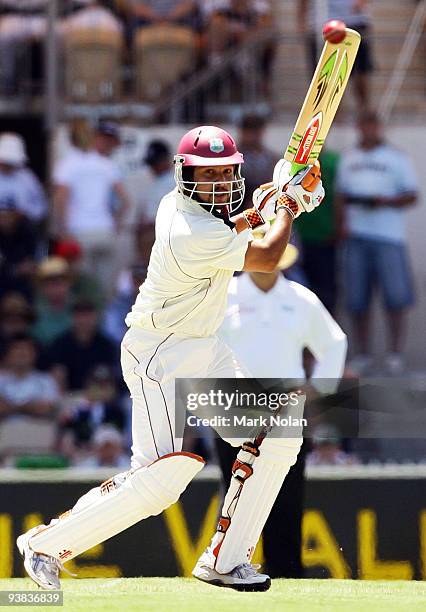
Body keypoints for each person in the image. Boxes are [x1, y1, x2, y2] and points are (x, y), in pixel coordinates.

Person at [17, 124, 325, 591]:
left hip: (205, 347)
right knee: (160, 482)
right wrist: (288, 207)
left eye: (227, 173)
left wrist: (281, 192)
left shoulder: (186, 208)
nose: (220, 184)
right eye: (209, 175)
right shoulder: (188, 230)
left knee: (278, 430)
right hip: (161, 353)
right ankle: (44, 544)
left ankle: (225, 560)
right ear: (185, 175)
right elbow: (265, 255)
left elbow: (238, 224)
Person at [216, 237, 347, 577]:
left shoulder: (300, 299)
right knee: (234, 497)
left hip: (285, 411)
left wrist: (316, 388)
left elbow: (334, 343)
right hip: (234, 409)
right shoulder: (224, 296)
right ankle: (224, 568)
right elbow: (201, 343)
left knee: (286, 497)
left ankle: (287, 572)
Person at [335, 111, 418, 375]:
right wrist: (342, 224)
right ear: (359, 127)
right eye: (364, 124)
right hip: (357, 235)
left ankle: (395, 352)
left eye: (373, 125)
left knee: (395, 296)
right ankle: (364, 353)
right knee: (358, 298)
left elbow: (412, 195)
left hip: (388, 236)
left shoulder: (396, 158)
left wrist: (386, 201)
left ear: (379, 128)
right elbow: (339, 195)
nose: (369, 129)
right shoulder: (349, 158)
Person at [52, 120, 130, 290]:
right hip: (105, 231)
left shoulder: (67, 164)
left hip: (79, 233)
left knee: (83, 291)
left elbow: (60, 199)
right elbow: (125, 201)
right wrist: (115, 223)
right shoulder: (106, 164)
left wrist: (63, 230)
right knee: (104, 290)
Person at [297, 0, 373, 110]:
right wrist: (301, 21)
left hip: (353, 23)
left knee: (360, 73)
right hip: (323, 25)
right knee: (327, 77)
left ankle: (364, 110)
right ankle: (333, 114)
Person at [296, 147, 340, 313]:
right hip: (297, 241)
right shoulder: (289, 165)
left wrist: (337, 227)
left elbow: (338, 196)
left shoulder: (333, 162)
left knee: (326, 294)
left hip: (325, 238)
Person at [0, 133, 48, 223]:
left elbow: (40, 209)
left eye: (11, 163)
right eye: (5, 162)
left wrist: (23, 213)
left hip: (21, 230)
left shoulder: (27, 178)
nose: (7, 166)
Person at [238, 114, 277, 209]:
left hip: (265, 206)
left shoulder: (271, 158)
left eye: (256, 131)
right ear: (242, 132)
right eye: (249, 131)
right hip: (238, 209)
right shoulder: (233, 157)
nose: (253, 136)